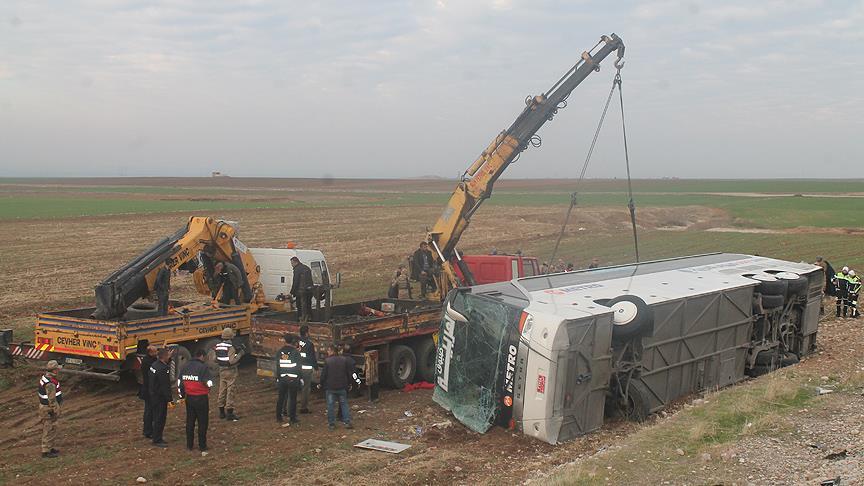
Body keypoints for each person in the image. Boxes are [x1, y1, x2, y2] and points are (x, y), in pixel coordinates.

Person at [178, 349, 212, 455]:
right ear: (201, 356)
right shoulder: (203, 367)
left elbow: (180, 382)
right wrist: (209, 388)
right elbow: (209, 382)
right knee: (202, 422)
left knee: (190, 422)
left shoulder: (185, 366)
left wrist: (182, 395)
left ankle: (189, 445)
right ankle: (202, 446)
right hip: (201, 398)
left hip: (190, 398)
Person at [320, 345, 354, 431]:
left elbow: (323, 375)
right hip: (342, 386)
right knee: (344, 404)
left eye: (328, 350)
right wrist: (349, 384)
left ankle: (332, 424)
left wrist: (321, 384)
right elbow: (348, 374)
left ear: (331, 351)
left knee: (330, 405)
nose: (327, 352)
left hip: (330, 387)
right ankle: (347, 422)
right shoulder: (344, 360)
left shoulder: (327, 361)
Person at [215, 327, 245, 421]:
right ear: (231, 337)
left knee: (222, 390)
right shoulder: (230, 347)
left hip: (221, 370)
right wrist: (240, 354)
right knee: (230, 391)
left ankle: (221, 412)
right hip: (230, 371)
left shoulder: (218, 346)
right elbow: (232, 361)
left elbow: (214, 359)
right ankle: (230, 413)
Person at [275, 334, 303, 424]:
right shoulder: (295, 352)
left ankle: (278, 417)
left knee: (281, 398)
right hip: (293, 379)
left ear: (285, 341)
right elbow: (299, 367)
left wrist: (278, 377)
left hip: (282, 378)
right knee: (292, 399)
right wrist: (300, 378)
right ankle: (292, 418)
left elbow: (277, 366)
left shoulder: (280, 352)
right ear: (293, 342)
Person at [38, 360, 63, 458]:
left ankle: (50, 447)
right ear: (55, 370)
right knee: (49, 428)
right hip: (48, 409)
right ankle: (46, 451)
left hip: (45, 408)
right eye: (57, 369)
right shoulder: (50, 383)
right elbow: (52, 399)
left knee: (51, 428)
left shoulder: (45, 378)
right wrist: (56, 410)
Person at [148, 347, 173, 448]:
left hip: (153, 395)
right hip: (160, 398)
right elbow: (165, 385)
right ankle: (157, 439)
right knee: (160, 418)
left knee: (155, 417)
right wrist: (169, 399)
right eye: (168, 356)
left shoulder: (154, 365)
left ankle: (155, 436)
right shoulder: (163, 369)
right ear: (165, 357)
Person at [138, 345, 158, 439]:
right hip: (150, 390)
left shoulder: (146, 360)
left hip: (147, 389)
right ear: (150, 352)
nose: (156, 353)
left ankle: (147, 430)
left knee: (148, 411)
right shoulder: (150, 362)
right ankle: (149, 431)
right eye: (155, 351)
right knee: (150, 411)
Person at [297, 326, 317, 414]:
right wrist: (316, 367)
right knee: (306, 388)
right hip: (306, 369)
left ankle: (287, 409)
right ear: (306, 333)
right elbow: (312, 357)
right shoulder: (309, 344)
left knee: (292, 388)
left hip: (296, 368)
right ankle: (303, 407)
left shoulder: (296, 342)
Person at [290, 257, 314, 322]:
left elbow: (296, 281)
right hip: (309, 290)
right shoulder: (306, 268)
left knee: (300, 306)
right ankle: (310, 318)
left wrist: (292, 292)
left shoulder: (297, 269)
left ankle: (300, 318)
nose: (291, 265)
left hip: (301, 291)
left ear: (295, 262)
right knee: (308, 305)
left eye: (292, 263)